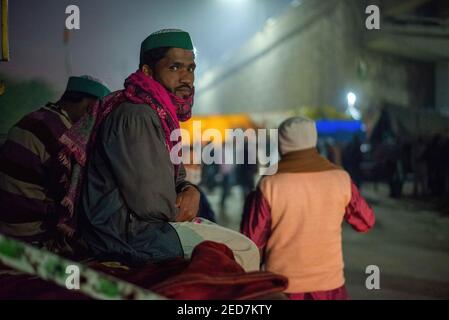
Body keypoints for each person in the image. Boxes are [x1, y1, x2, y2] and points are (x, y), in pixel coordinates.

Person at [73, 29, 259, 270]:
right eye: (175, 68)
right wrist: (184, 205)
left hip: (140, 229)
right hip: (128, 236)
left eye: (190, 69)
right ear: (147, 72)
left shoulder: (157, 112)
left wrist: (189, 190)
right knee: (245, 250)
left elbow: (176, 175)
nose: (186, 78)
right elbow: (151, 206)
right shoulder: (137, 114)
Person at [241, 117, 375, 299]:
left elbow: (251, 243)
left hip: (284, 287)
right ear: (313, 140)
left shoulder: (269, 184)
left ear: (281, 144)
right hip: (331, 287)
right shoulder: (340, 178)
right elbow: (365, 222)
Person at [0, 76, 110, 252]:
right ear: (91, 108)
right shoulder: (65, 139)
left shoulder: (35, 118)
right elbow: (71, 203)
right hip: (30, 239)